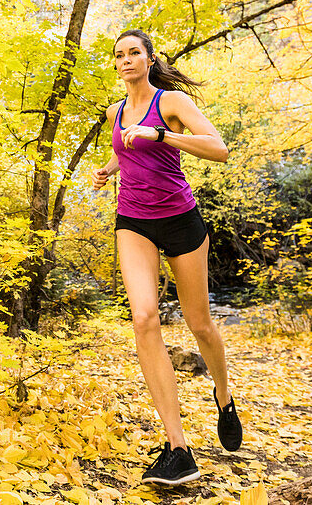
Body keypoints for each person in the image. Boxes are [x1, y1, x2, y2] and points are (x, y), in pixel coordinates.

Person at [91, 28, 242, 486]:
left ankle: (224, 395)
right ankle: (178, 448)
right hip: (133, 221)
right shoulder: (115, 112)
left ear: (149, 58)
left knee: (199, 324)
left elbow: (219, 149)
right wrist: (110, 168)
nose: (125, 60)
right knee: (143, 319)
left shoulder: (171, 102)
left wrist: (162, 135)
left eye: (134, 52)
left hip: (180, 220)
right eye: (119, 55)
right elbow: (128, 149)